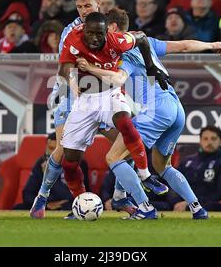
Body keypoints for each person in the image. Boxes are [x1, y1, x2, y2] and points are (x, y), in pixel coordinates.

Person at [29, 0, 166, 220]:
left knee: (126, 146)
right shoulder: (70, 32)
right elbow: (65, 66)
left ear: (98, 3)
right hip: (75, 96)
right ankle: (45, 196)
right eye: (80, 6)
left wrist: (151, 67)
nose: (83, 10)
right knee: (64, 152)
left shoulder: (106, 30)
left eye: (87, 6)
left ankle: (125, 197)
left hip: (105, 94)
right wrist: (66, 88)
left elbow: (136, 42)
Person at [76, 8, 221, 219]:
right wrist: (212, 45)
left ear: (112, 28)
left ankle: (145, 208)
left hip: (156, 110)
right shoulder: (147, 42)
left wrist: (89, 69)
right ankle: (197, 209)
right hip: (175, 107)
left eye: (102, 31)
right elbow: (184, 45)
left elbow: (118, 79)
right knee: (160, 164)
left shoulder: (120, 53)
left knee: (114, 157)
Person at [57, 12, 169, 210]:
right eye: (90, 33)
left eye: (99, 34)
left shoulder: (117, 40)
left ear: (106, 32)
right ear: (84, 31)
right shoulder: (73, 38)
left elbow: (142, 38)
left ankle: (145, 175)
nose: (95, 38)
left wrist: (150, 67)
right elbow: (64, 68)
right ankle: (81, 203)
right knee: (70, 159)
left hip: (110, 93)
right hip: (84, 101)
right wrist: (72, 82)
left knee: (125, 122)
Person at [14, 133, 89, 211]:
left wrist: (50, 175)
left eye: (57, 149)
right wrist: (46, 205)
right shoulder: (41, 163)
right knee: (18, 208)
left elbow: (74, 195)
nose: (53, 153)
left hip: (68, 205)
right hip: (47, 204)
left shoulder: (77, 163)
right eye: (50, 148)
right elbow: (27, 194)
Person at [173, 125, 221, 211]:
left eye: (213, 139)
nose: (209, 142)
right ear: (200, 141)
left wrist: (191, 203)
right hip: (181, 205)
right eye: (205, 139)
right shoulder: (187, 161)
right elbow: (174, 185)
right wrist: (176, 202)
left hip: (208, 206)